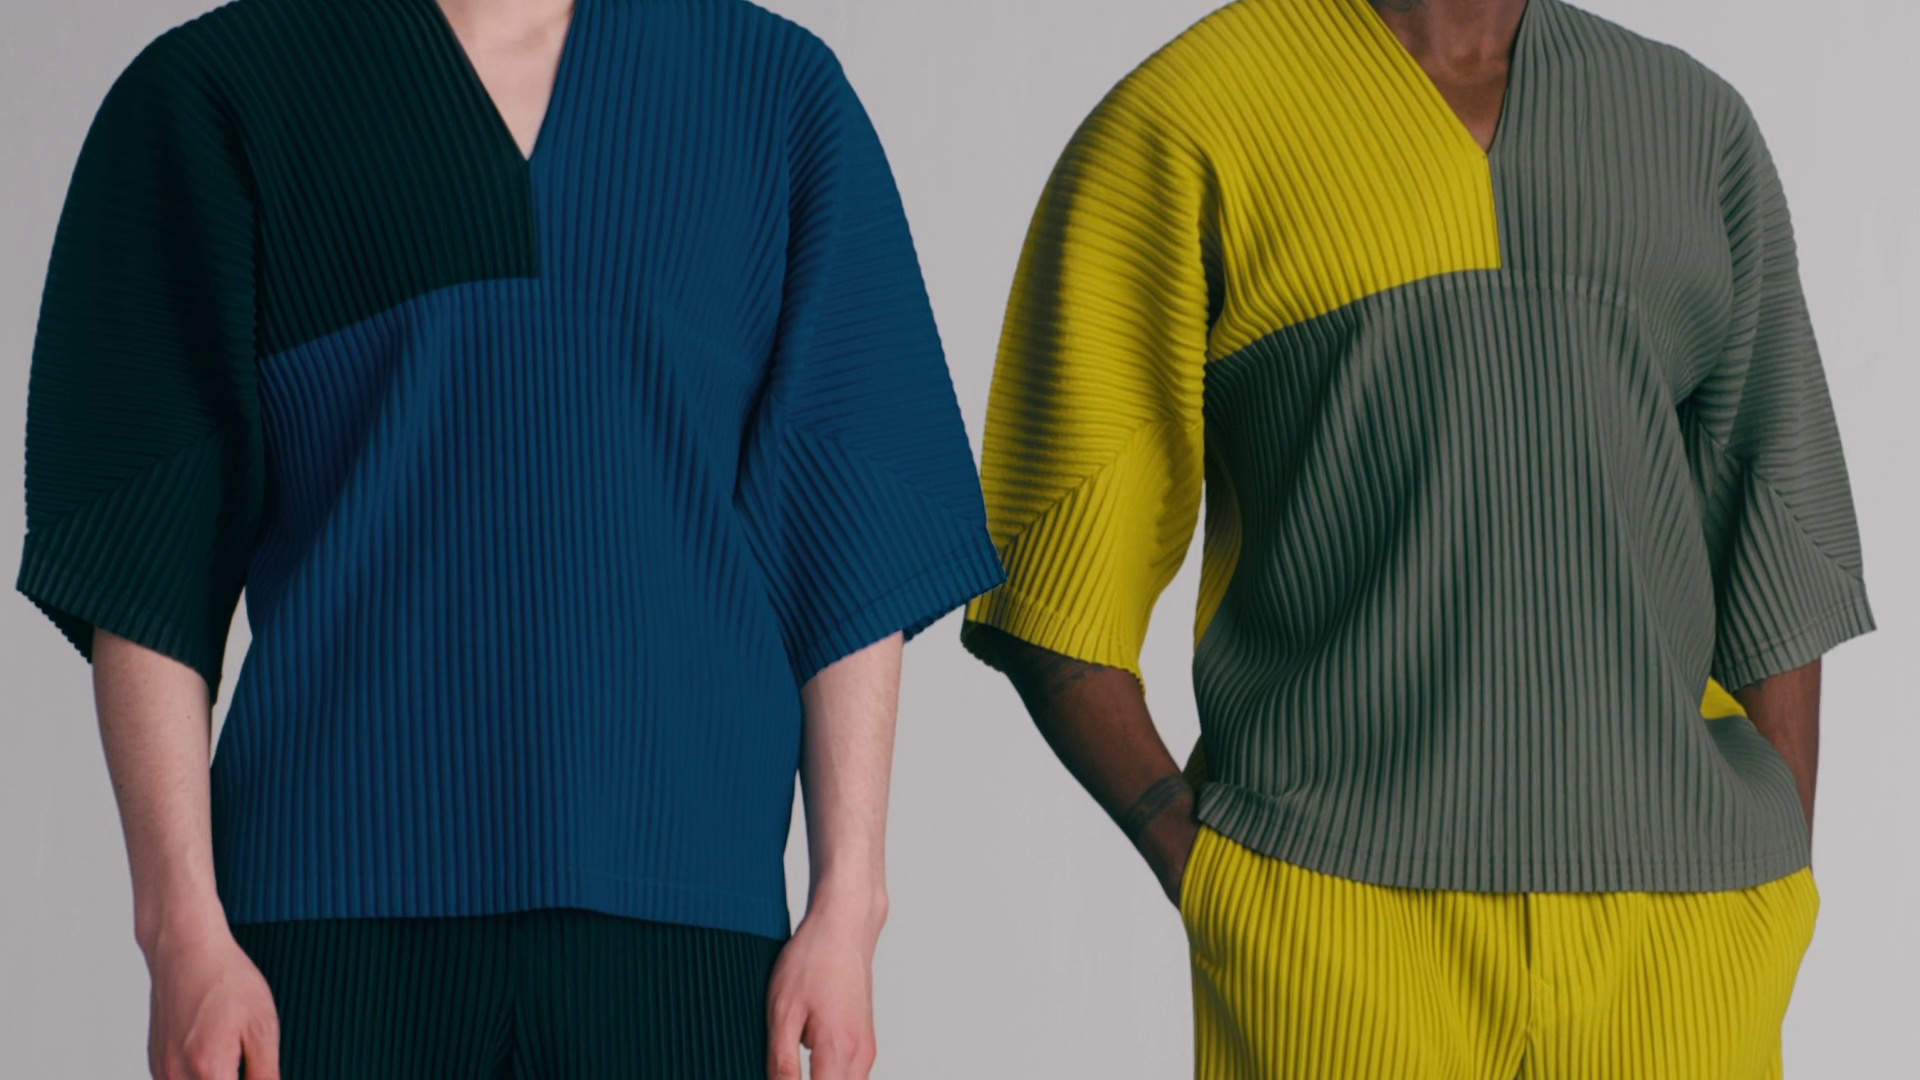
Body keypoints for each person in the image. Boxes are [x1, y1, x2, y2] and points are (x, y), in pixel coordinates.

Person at [18, 0, 1004, 1076]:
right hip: (326, 929)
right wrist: (179, 931)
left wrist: (848, 905)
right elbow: (146, 553)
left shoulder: (776, 96)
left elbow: (846, 520)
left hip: (692, 926)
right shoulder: (219, 94)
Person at [962, 0, 1873, 1076]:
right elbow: (1052, 559)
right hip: (1339, 933)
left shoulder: (1693, 126)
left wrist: (1775, 861)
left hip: (1685, 934)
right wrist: (1195, 859)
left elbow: (1779, 534)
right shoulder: (1193, 115)